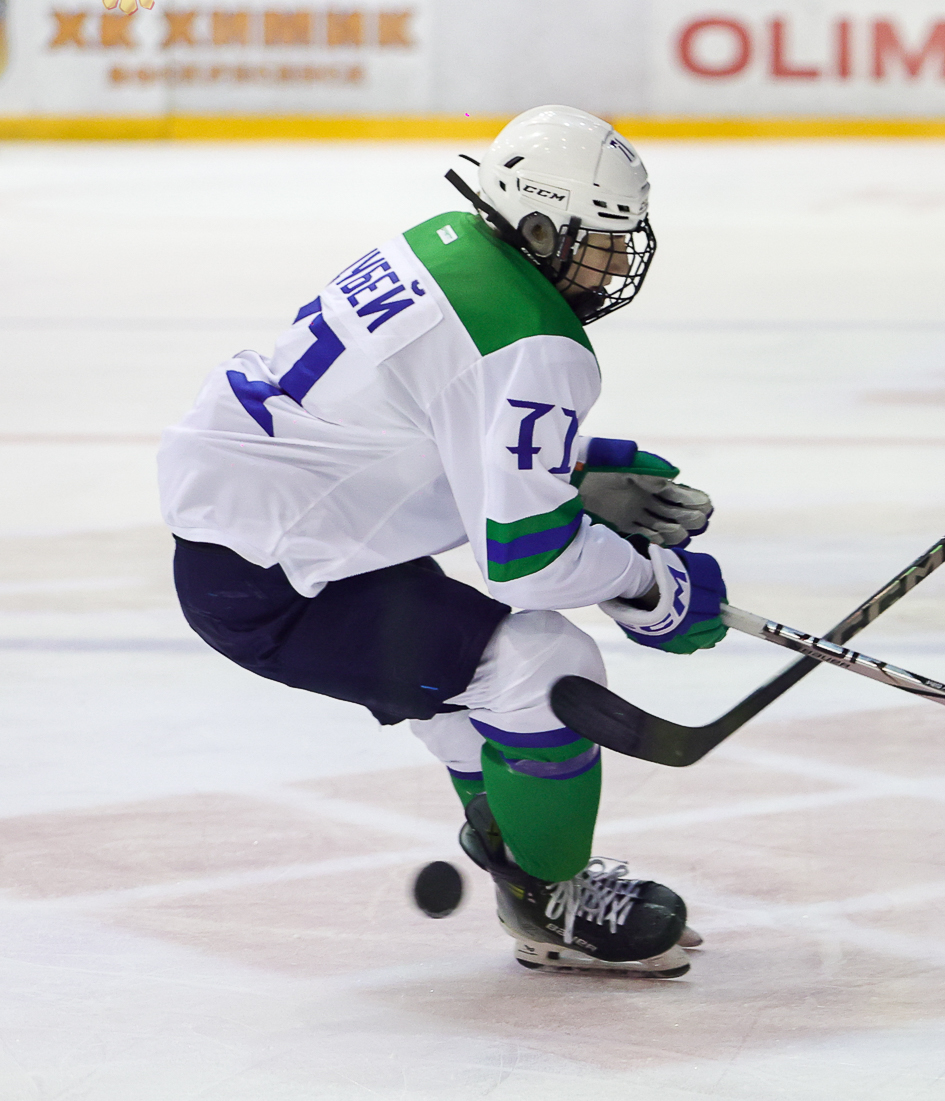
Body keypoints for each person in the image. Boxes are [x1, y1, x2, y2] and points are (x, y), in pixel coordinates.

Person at [161, 105, 726, 978]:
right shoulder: (534, 341)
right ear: (539, 229)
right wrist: (652, 592)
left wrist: (570, 471)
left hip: (271, 541)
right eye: (602, 241)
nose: (618, 262)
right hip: (286, 583)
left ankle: (520, 856)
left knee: (470, 694)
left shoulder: (449, 241)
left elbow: (427, 418)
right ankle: (551, 897)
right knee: (545, 670)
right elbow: (528, 561)